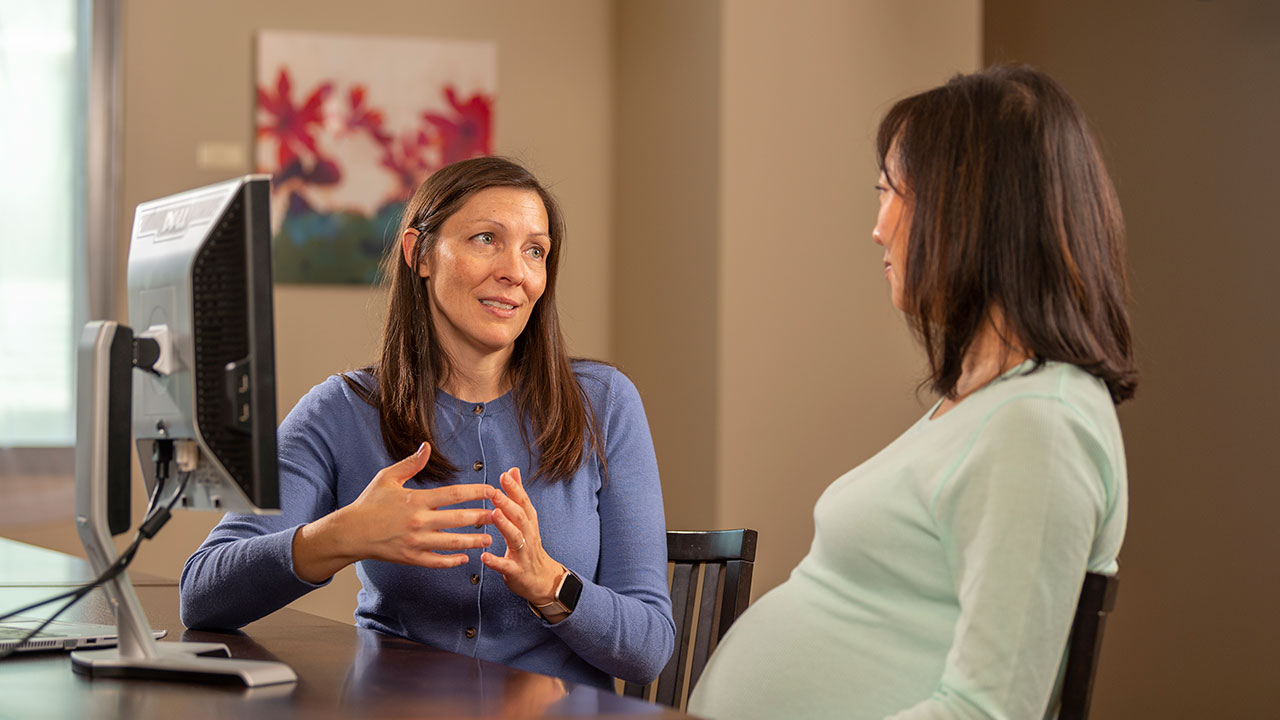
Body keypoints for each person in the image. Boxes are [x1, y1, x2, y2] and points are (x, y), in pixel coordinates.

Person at [688, 65, 1136, 719]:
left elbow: (988, 710)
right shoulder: (986, 406)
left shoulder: (1041, 427)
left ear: (973, 209)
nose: (879, 227)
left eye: (894, 192)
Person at [179, 156, 675, 689]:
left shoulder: (604, 404)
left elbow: (649, 649)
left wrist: (550, 583)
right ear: (419, 254)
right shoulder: (343, 410)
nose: (516, 271)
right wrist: (342, 535)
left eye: (536, 250)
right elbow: (202, 593)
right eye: (486, 239)